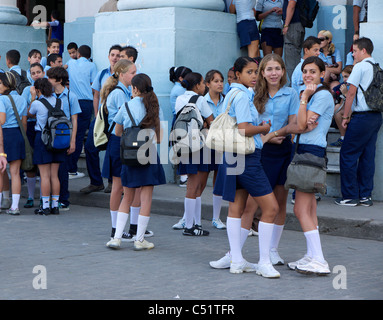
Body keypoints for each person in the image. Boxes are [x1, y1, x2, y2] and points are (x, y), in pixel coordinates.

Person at [211, 56, 280, 277]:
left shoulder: (232, 94)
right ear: (237, 74)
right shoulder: (241, 96)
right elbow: (243, 129)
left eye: (255, 72)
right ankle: (264, 262)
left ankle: (236, 260)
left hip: (233, 155)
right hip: (247, 157)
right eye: (249, 72)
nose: (253, 76)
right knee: (271, 208)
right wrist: (263, 129)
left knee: (235, 208)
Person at [106, 73, 166, 250]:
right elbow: (160, 137)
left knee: (127, 197)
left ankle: (117, 237)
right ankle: (139, 239)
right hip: (148, 154)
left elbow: (117, 132)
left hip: (130, 156)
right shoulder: (155, 107)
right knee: (146, 199)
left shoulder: (126, 106)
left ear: (135, 89)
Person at [289, 56, 333, 275]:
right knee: (310, 208)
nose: (308, 75)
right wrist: (302, 119)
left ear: (322, 73)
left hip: (311, 153)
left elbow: (301, 124)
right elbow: (301, 124)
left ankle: (319, 259)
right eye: (305, 71)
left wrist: (304, 97)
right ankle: (311, 255)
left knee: (299, 208)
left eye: (313, 71)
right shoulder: (316, 95)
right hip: (307, 151)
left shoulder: (322, 95)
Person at [336, 37, 382, 207]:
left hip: (361, 117)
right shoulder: (376, 67)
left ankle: (349, 196)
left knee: (347, 154)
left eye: (355, 51)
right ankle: (365, 195)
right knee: (367, 156)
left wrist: (346, 116)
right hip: (376, 116)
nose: (353, 54)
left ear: (363, 51)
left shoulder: (360, 67)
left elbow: (350, 93)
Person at [100, 59, 137, 240]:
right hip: (119, 140)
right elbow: (124, 121)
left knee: (120, 185)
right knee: (118, 186)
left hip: (121, 140)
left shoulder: (124, 91)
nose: (134, 76)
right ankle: (116, 228)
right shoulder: (120, 94)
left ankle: (120, 227)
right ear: (121, 74)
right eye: (132, 73)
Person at [173, 72, 214, 236]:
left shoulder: (179, 99)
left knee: (193, 185)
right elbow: (211, 121)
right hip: (198, 145)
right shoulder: (201, 100)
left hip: (184, 144)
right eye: (203, 83)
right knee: (194, 187)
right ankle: (190, 226)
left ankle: (196, 224)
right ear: (197, 85)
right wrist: (204, 123)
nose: (204, 86)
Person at [81, 44, 122, 195]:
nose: (115, 58)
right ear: (108, 56)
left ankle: (112, 181)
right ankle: (96, 182)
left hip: (115, 119)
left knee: (112, 150)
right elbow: (96, 95)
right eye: (113, 55)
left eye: (118, 55)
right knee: (91, 147)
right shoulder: (102, 74)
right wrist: (97, 112)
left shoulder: (124, 75)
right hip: (101, 118)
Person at [28, 78, 66, 215]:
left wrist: (33, 96)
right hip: (57, 140)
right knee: (54, 175)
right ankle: (55, 205)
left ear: (38, 89)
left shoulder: (37, 103)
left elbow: (29, 113)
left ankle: (45, 206)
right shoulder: (59, 101)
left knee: (44, 176)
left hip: (42, 139)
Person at [47, 67, 81, 211]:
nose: (48, 80)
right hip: (50, 136)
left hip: (64, 136)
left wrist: (73, 141)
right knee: (49, 169)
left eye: (50, 78)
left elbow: (74, 119)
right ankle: (50, 199)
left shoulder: (70, 96)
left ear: (59, 80)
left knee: (62, 170)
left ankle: (63, 199)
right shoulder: (47, 95)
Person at [66, 45, 98, 180]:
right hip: (86, 103)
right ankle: (72, 170)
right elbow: (94, 85)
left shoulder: (70, 63)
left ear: (78, 54)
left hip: (72, 102)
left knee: (70, 133)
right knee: (79, 136)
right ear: (89, 56)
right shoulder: (92, 66)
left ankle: (68, 167)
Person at [0, 72, 27, 215]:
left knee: (1, 171)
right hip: (17, 134)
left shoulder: (1, 99)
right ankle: (14, 206)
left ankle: (3, 200)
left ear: (6, 84)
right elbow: (24, 122)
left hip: (3, 135)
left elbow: (1, 121)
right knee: (15, 173)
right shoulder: (22, 99)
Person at [21, 63, 46, 209]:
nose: (36, 75)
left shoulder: (47, 87)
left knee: (43, 164)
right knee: (30, 164)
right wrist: (32, 96)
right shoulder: (27, 89)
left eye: (38, 72)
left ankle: (44, 197)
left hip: (44, 128)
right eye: (33, 72)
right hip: (31, 126)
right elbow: (27, 111)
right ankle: (30, 197)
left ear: (43, 72)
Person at [204, 69, 226, 229]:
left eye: (221, 81)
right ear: (207, 84)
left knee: (218, 179)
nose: (219, 84)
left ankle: (216, 218)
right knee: (199, 181)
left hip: (222, 144)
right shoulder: (202, 101)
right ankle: (188, 217)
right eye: (216, 81)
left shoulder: (227, 100)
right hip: (205, 144)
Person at [168, 66, 192, 190]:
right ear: (181, 78)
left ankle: (184, 177)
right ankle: (184, 178)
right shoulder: (180, 90)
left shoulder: (178, 88)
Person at [330, 65, 354, 147]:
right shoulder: (345, 85)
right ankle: (343, 137)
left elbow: (355, 103)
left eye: (346, 76)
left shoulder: (356, 86)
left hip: (357, 113)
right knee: (337, 109)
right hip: (347, 113)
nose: (344, 79)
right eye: (343, 77)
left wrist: (346, 93)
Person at [282, 0, 305, 82]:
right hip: (297, 25)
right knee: (295, 56)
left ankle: (295, 83)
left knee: (291, 57)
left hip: (293, 26)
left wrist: (286, 24)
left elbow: (292, 4)